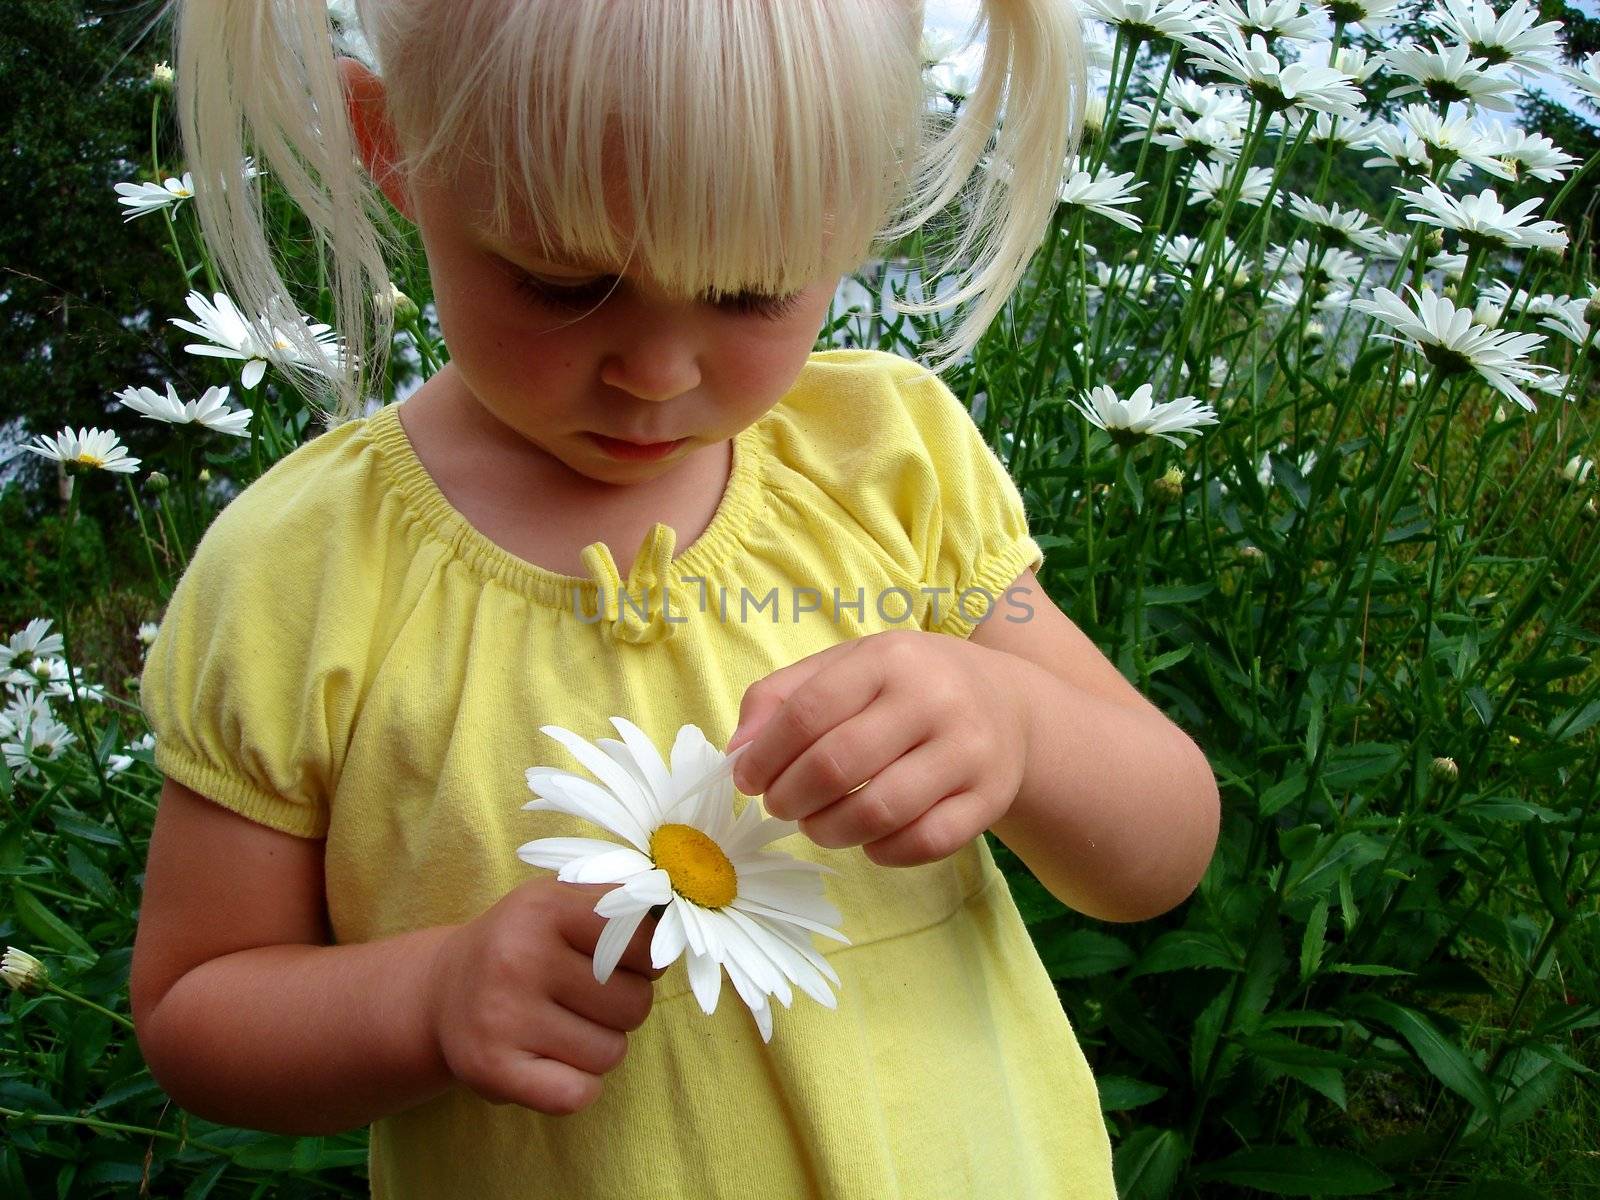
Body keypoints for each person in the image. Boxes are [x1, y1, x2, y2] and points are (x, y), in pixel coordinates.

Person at [129, 1, 1220, 1197]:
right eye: (562, 283)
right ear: (390, 148)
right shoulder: (304, 574)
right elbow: (197, 1010)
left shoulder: (889, 476)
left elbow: (1161, 847)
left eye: (753, 293)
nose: (655, 373)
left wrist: (1012, 722)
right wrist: (426, 998)